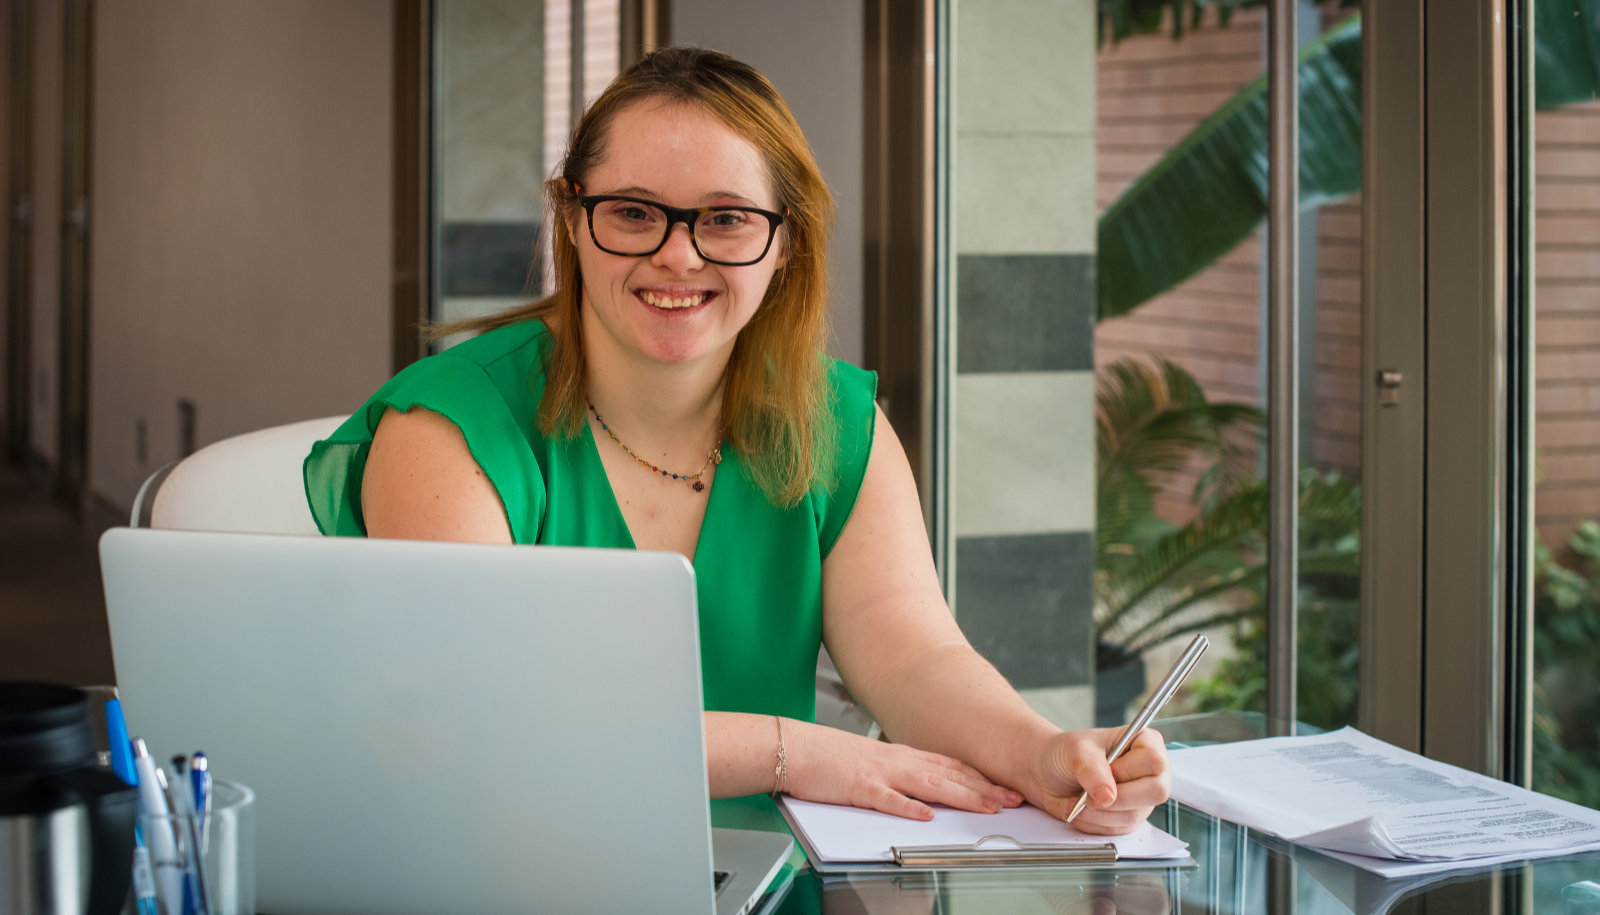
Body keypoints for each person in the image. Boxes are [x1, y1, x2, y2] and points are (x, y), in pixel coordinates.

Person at [304, 46, 1169, 834]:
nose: (680, 256)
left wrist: (1040, 751)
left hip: (769, 877)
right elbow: (492, 716)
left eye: (725, 219)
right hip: (508, 862)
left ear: (784, 241)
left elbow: (913, 651)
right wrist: (796, 751)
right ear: (571, 217)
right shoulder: (446, 430)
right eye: (635, 212)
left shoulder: (834, 420)